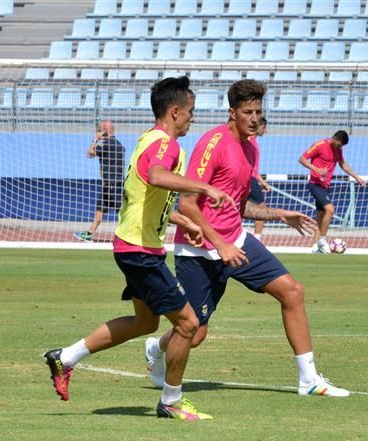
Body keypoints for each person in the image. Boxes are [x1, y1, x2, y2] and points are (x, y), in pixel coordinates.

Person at [44, 76, 235, 421]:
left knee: (145, 322)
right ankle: (171, 401)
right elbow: (158, 177)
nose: (193, 118)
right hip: (140, 252)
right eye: (191, 112)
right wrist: (205, 188)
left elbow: (145, 199)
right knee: (188, 324)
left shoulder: (148, 140)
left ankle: (65, 357)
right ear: (175, 111)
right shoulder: (166, 144)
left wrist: (184, 221)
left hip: (133, 246)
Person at [143, 79, 350, 398]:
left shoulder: (252, 147)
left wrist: (280, 214)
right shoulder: (212, 143)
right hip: (199, 251)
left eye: (258, 111)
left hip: (236, 241)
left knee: (292, 291)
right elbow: (187, 203)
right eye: (248, 111)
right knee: (195, 333)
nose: (254, 118)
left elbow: (239, 206)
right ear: (232, 113)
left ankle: (309, 379)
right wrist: (220, 245)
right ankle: (157, 349)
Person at [298, 130, 366, 254]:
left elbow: (343, 164)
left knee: (320, 215)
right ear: (334, 139)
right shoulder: (320, 145)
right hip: (315, 184)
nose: (340, 148)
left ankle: (315, 246)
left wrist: (357, 177)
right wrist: (316, 169)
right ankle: (323, 241)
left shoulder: (338, 149)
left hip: (325, 186)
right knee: (330, 209)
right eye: (339, 145)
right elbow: (302, 159)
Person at [74, 120, 125, 242]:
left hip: (112, 184)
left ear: (105, 131)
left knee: (121, 212)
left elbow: (90, 153)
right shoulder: (120, 145)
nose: (98, 132)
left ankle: (128, 237)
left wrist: (95, 140)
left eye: (100, 130)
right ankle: (89, 233)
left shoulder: (105, 144)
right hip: (114, 183)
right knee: (101, 209)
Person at [248, 117, 271, 242]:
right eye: (264, 128)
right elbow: (250, 168)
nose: (265, 131)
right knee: (262, 209)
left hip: (251, 179)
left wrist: (262, 183)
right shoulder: (250, 141)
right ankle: (257, 239)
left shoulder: (253, 142)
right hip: (248, 179)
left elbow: (254, 169)